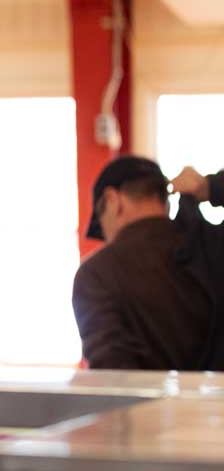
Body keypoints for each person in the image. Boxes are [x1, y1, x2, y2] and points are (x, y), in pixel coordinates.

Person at [72, 156, 224, 370]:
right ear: (164, 200)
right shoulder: (212, 246)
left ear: (113, 200)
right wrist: (212, 188)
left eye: (101, 218)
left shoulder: (96, 275)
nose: (106, 236)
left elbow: (113, 375)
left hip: (148, 404)